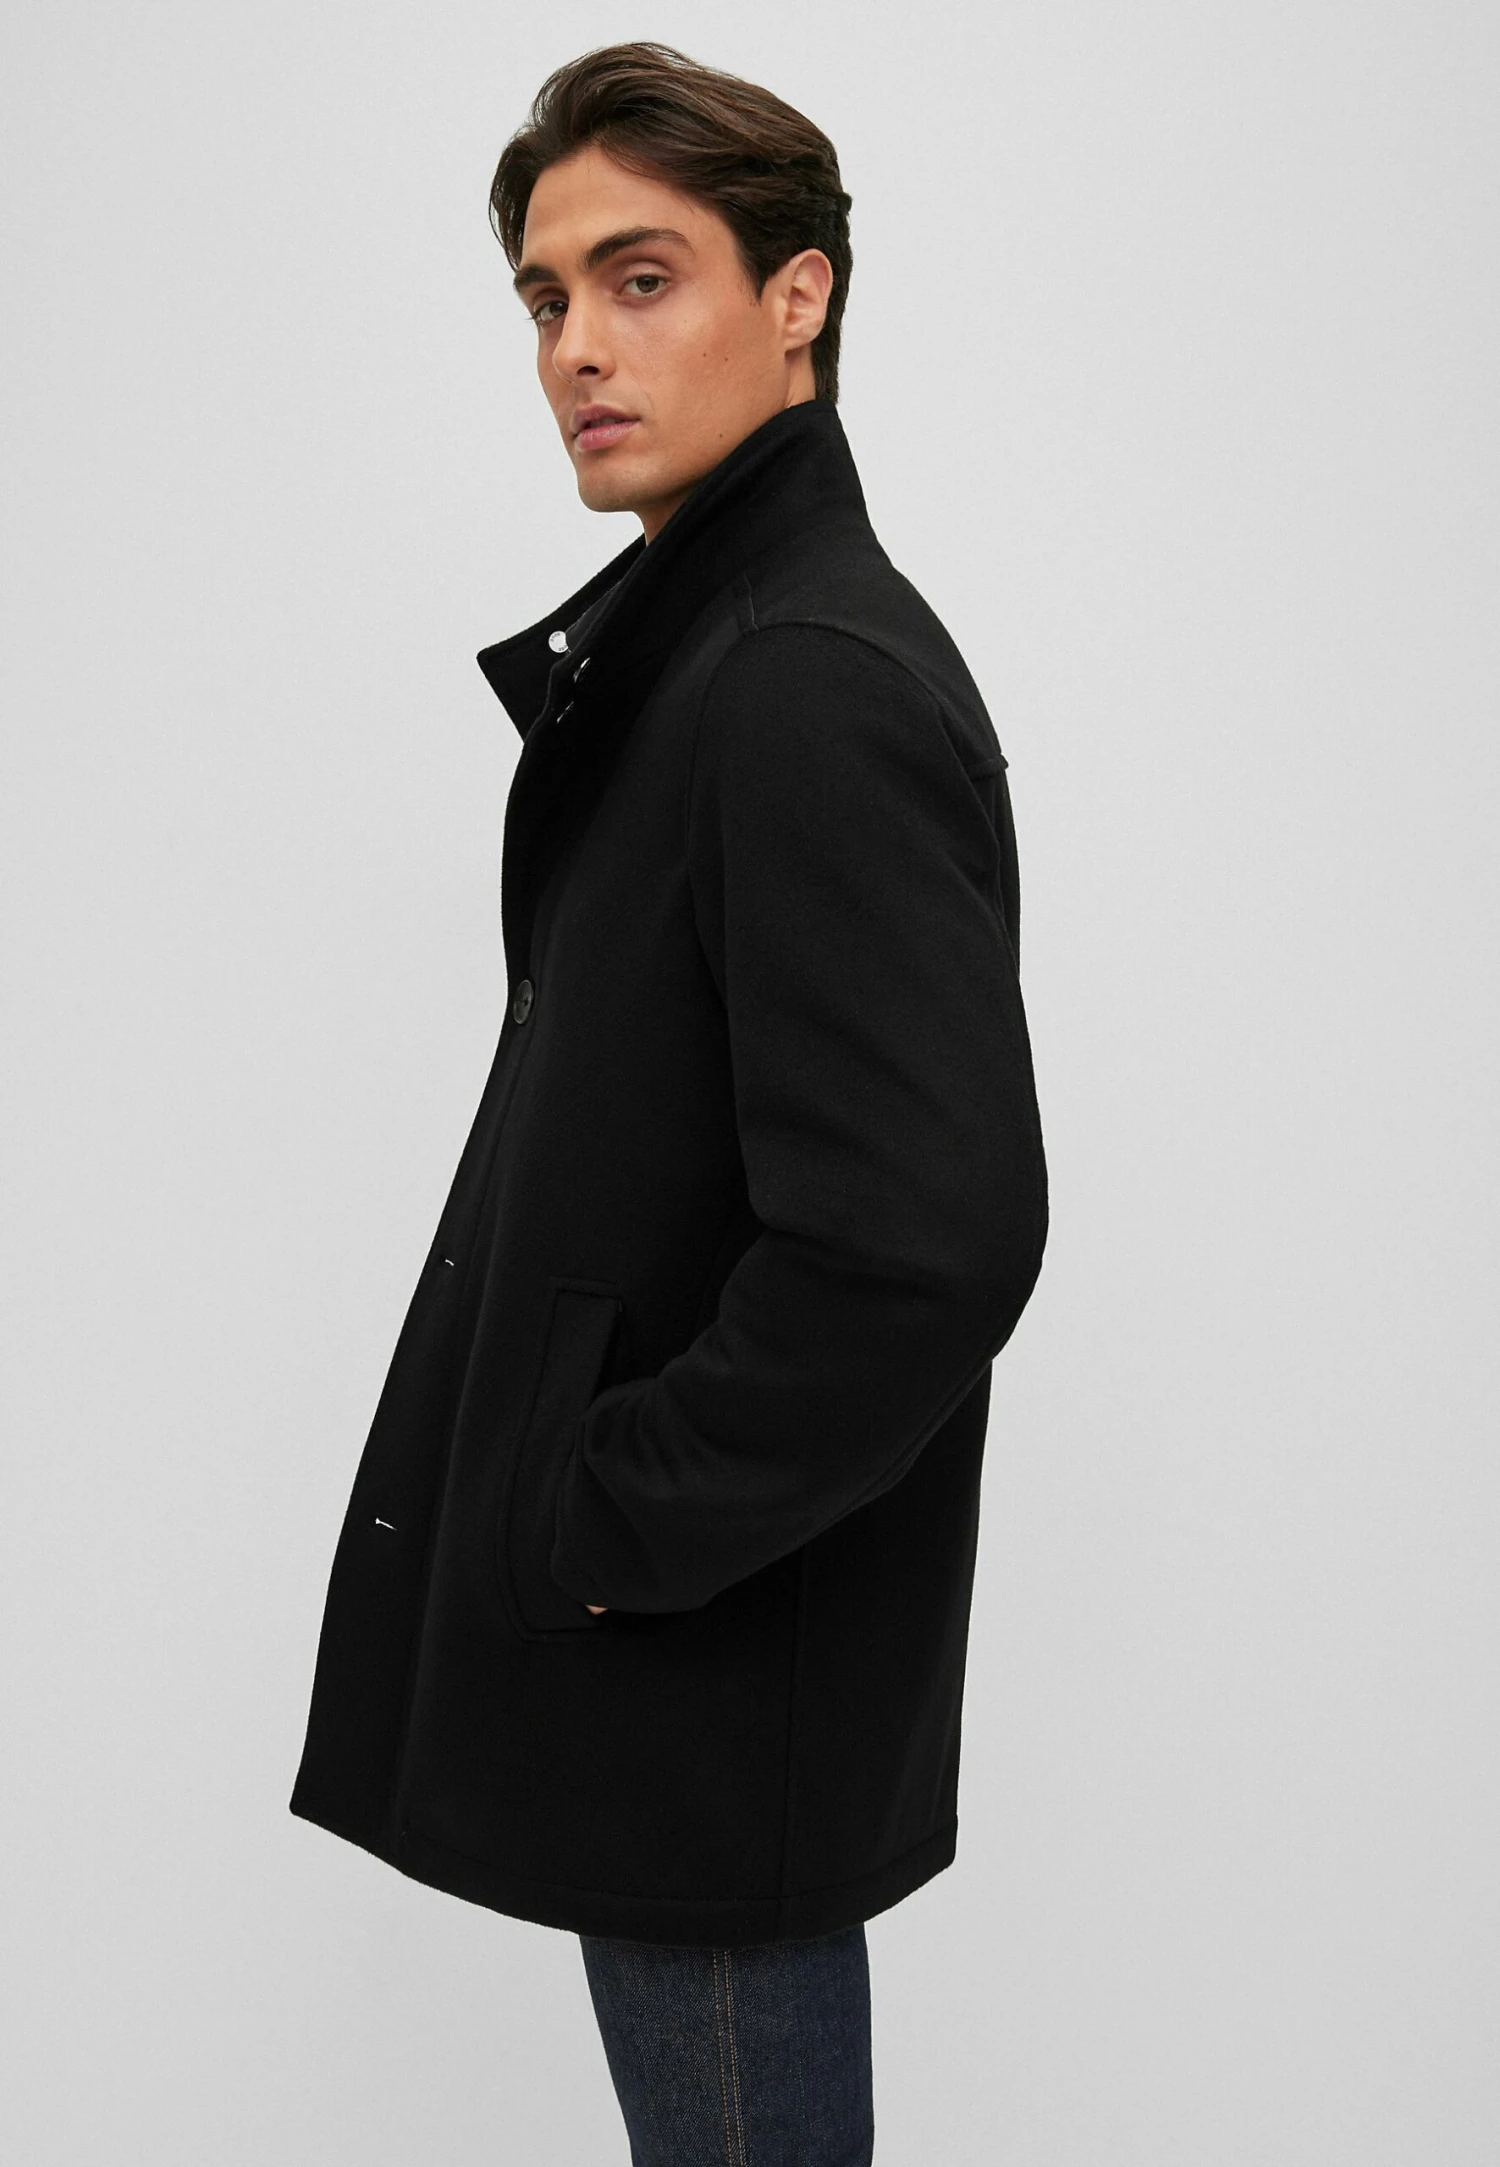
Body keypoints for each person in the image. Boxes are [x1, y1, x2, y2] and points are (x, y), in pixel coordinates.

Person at [289, 39, 1048, 2166]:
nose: (576, 349)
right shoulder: (714, 654)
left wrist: (614, 1513)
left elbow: (924, 1240)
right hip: (699, 1649)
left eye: (642, 279)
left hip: (714, 1651)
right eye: (547, 297)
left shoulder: (797, 682)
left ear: (798, 296)